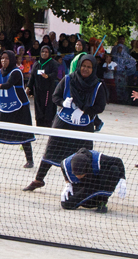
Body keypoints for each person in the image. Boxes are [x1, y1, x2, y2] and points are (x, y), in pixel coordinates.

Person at [24, 54, 107, 192]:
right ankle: (38, 179)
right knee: (51, 151)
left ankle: (83, 186)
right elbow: (55, 97)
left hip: (83, 126)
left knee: (83, 157)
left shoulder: (98, 85)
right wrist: (64, 103)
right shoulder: (68, 79)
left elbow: (100, 107)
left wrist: (84, 111)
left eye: (89, 67)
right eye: (83, 66)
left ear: (93, 69)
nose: (85, 69)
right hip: (62, 122)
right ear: (79, 66)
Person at [60, 149, 127, 213]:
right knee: (66, 204)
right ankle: (90, 199)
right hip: (83, 187)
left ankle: (102, 201)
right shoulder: (66, 163)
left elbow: (118, 161)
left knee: (113, 169)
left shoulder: (99, 159)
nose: (78, 176)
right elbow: (62, 166)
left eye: (81, 175)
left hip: (97, 183)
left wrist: (122, 178)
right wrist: (68, 184)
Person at [27, 45, 59, 127]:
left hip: (48, 89)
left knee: (47, 107)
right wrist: (28, 87)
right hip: (38, 90)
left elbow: (55, 74)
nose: (44, 53)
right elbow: (32, 77)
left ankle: (47, 125)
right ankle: (39, 125)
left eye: (46, 52)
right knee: (38, 107)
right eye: (43, 52)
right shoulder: (37, 64)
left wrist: (47, 76)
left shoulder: (53, 63)